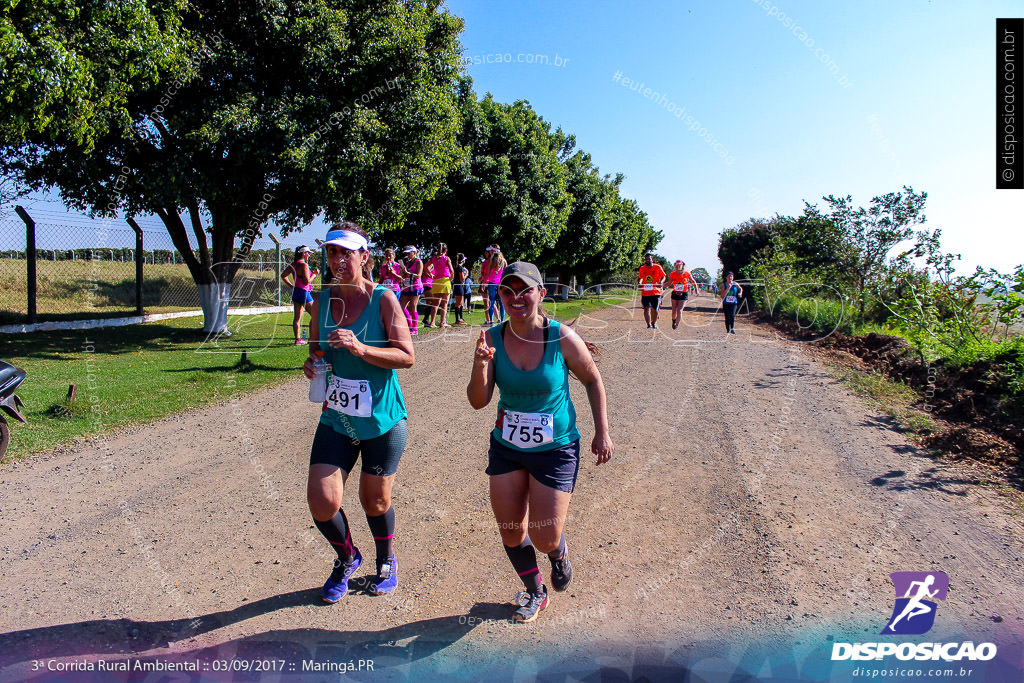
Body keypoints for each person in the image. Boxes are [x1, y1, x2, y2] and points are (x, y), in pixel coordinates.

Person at [466, 262, 613, 623]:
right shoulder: (492, 338)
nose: (516, 298)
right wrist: (481, 364)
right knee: (512, 530)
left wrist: (602, 431)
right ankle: (535, 593)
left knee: (544, 536)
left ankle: (557, 553)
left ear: (540, 294)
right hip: (508, 446)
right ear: (499, 295)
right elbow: (478, 401)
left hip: (555, 448)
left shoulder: (560, 337)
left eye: (524, 290)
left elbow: (593, 380)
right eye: (507, 291)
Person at [303, 222, 414, 602]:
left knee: (375, 500)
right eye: (332, 252)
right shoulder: (321, 301)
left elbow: (407, 356)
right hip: (338, 417)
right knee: (322, 500)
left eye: (345, 252)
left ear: (364, 256)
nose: (337, 259)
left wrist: (361, 348)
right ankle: (347, 557)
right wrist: (313, 362)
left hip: (383, 419)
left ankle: (386, 560)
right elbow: (320, 353)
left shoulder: (384, 299)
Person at [282, 245, 320, 345]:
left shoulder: (293, 264)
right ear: (303, 253)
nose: (309, 255)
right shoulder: (304, 265)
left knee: (297, 318)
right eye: (308, 253)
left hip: (296, 292)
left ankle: (298, 340)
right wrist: (315, 274)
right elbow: (306, 281)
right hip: (304, 292)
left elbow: (283, 275)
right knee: (317, 315)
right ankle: (313, 338)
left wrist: (292, 286)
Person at [425, 243, 454, 328]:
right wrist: (451, 278)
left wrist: (430, 275)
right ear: (446, 250)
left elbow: (426, 267)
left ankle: (432, 322)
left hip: (436, 281)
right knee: (444, 304)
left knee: (435, 304)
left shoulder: (433, 258)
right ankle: (442, 322)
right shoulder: (446, 258)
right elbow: (452, 270)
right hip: (445, 281)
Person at [398, 246, 424, 335]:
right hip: (407, 286)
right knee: (402, 306)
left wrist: (407, 272)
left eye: (409, 253)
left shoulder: (418, 262)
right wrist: (402, 272)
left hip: (416, 286)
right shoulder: (407, 262)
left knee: (413, 306)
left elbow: (419, 275)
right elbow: (404, 275)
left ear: (414, 252)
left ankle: (415, 328)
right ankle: (409, 324)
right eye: (407, 253)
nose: (408, 255)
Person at [637, 253, 666, 329]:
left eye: (649, 259)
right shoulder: (642, 268)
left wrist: (661, 282)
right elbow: (640, 277)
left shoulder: (658, 267)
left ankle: (654, 322)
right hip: (645, 292)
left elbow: (663, 276)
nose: (647, 260)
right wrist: (639, 283)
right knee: (646, 308)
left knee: (654, 309)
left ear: (652, 260)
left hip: (655, 291)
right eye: (646, 259)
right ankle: (648, 324)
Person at [480, 245, 507, 326]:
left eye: (491, 250)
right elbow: (506, 272)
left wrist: (484, 283)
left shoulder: (491, 260)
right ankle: (502, 320)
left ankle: (491, 320)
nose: (490, 251)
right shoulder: (503, 261)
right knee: (501, 302)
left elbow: (487, 273)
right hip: (501, 283)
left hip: (492, 283)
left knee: (491, 302)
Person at [667, 260, 695, 330]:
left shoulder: (687, 273)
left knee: (679, 310)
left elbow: (693, 281)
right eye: (676, 266)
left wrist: (696, 289)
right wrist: (660, 285)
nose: (677, 267)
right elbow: (669, 284)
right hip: (675, 293)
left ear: (682, 266)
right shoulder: (673, 274)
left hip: (684, 294)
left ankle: (676, 325)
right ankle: (673, 321)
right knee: (674, 310)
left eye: (679, 265)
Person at [452, 253, 470, 325]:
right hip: (459, 286)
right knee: (458, 303)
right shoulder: (460, 268)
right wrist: (466, 274)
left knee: (461, 303)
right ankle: (457, 319)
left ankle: (461, 317)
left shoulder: (456, 267)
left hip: (458, 286)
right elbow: (462, 279)